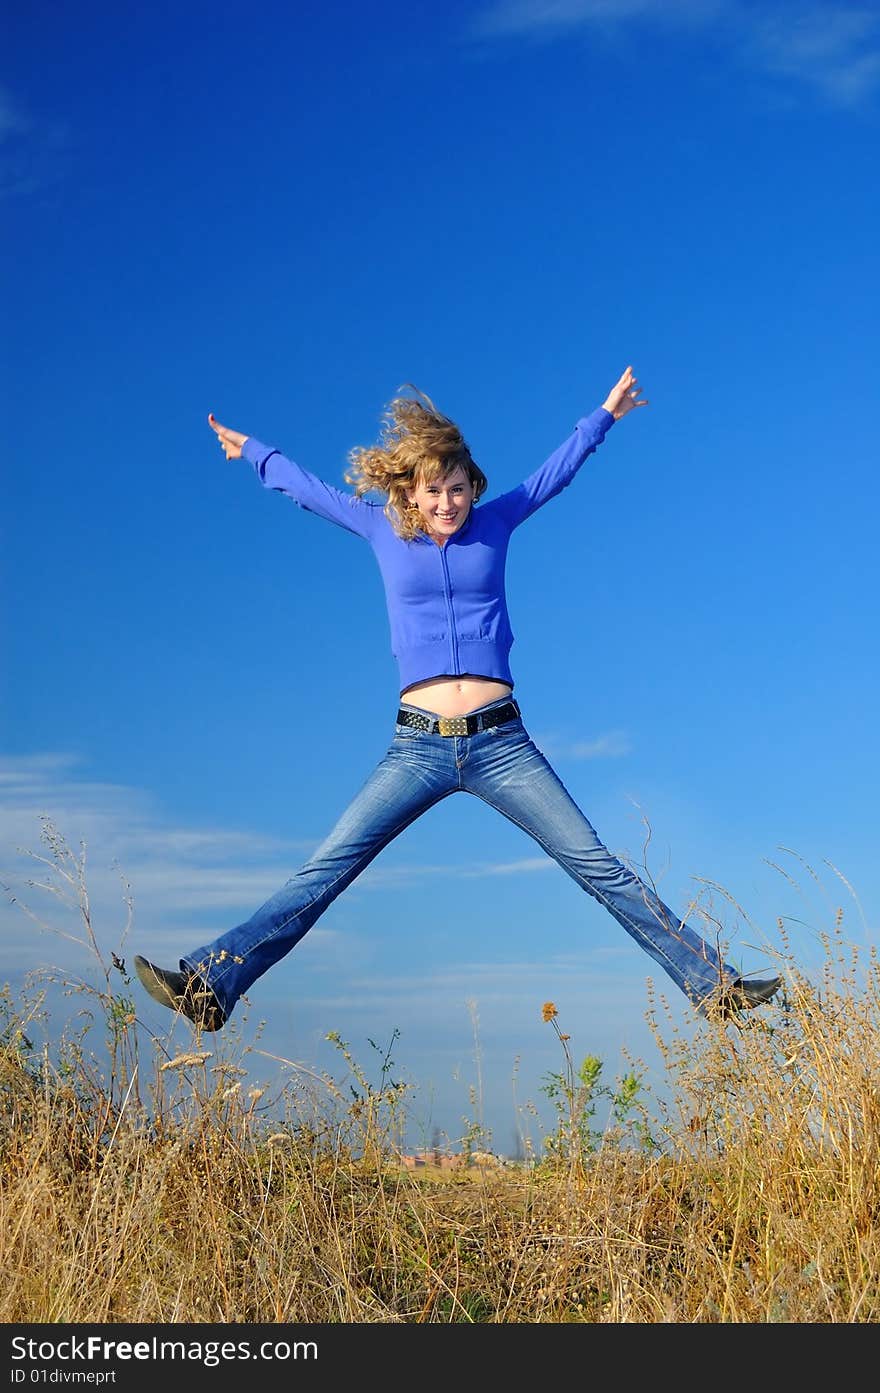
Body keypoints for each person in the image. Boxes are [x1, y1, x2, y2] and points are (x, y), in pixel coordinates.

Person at [134, 366, 780, 1032]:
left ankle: (715, 986)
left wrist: (604, 416)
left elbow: (552, 474)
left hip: (502, 744)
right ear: (412, 491)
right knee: (325, 869)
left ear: (474, 485)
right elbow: (309, 491)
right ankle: (211, 984)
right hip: (416, 745)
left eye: (458, 488)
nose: (447, 503)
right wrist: (255, 452)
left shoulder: (496, 523)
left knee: (596, 865)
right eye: (434, 490)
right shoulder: (382, 529)